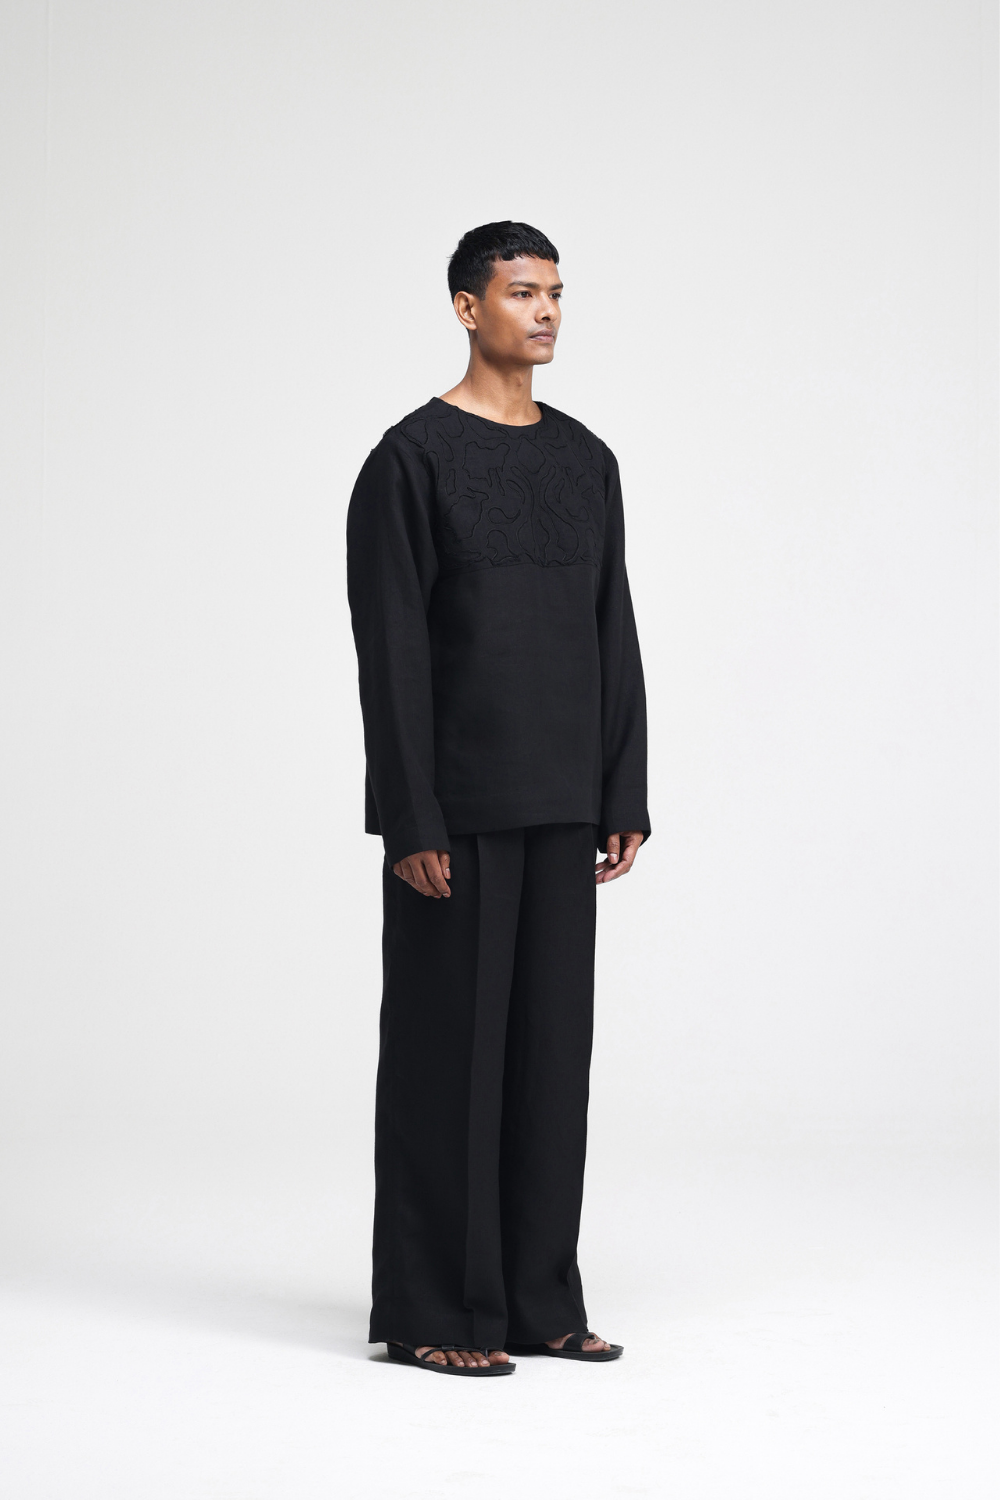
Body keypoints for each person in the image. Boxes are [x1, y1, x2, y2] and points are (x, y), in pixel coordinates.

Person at [346, 221, 649, 1377]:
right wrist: (410, 818)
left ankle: (535, 1300)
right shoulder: (409, 461)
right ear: (467, 308)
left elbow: (612, 629)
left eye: (556, 292)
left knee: (549, 1064)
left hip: (564, 798)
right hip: (458, 811)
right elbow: (391, 656)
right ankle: (434, 1309)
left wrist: (623, 786)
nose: (547, 311)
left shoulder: (586, 460)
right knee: (448, 1062)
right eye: (522, 293)